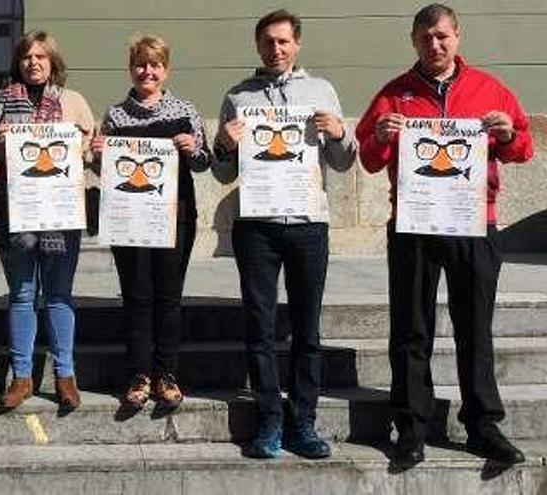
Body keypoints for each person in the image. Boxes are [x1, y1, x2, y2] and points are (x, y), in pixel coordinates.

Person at [355, 3, 532, 466]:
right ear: (413, 41)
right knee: (411, 330)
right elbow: (369, 159)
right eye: (424, 38)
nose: (434, 45)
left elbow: (522, 149)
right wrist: (378, 134)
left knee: (475, 327)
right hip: (414, 225)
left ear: (457, 37)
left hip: (475, 224)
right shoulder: (395, 94)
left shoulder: (489, 90)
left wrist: (509, 133)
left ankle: (483, 425)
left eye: (442, 36)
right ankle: (411, 427)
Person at [213, 10, 356, 459]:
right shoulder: (238, 96)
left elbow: (343, 162)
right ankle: (269, 422)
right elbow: (223, 173)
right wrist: (224, 145)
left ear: (296, 45)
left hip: (308, 224)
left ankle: (304, 423)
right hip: (257, 228)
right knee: (259, 327)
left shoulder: (322, 90)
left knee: (307, 329)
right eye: (267, 42)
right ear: (258, 47)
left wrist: (339, 133)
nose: (275, 49)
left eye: (283, 42)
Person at [0, 30, 95, 411]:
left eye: (41, 56)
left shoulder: (73, 102)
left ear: (53, 62)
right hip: (17, 214)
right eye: (27, 56)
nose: (34, 63)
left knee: (59, 295)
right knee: (23, 295)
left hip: (61, 215)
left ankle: (65, 375)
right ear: (18, 62)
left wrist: (83, 144)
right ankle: (22, 376)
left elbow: (91, 155)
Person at [90, 35, 210, 410]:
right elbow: (104, 170)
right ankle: (139, 374)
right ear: (131, 68)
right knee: (137, 295)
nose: (148, 71)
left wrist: (194, 149)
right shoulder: (115, 115)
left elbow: (205, 162)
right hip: (129, 220)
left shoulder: (185, 110)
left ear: (166, 70)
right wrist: (96, 156)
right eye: (141, 64)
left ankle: (166, 374)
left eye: (155, 64)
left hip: (175, 217)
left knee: (169, 296)